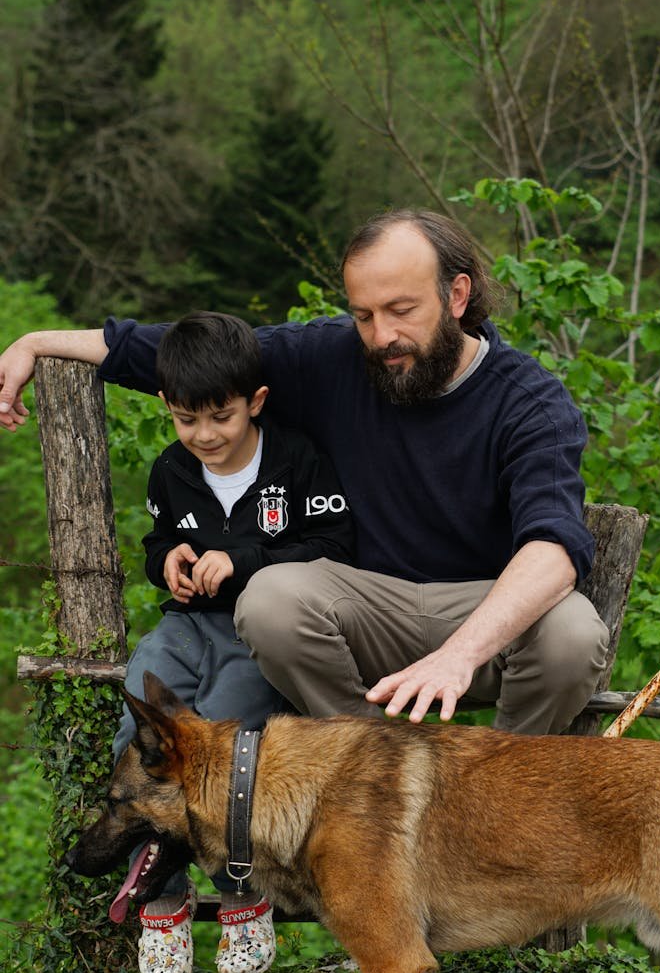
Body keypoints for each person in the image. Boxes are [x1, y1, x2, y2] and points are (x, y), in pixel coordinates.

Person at [0, 208, 608, 738]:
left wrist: (458, 655)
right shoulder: (332, 357)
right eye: (363, 315)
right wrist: (36, 342)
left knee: (573, 635)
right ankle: (375, 766)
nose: (382, 336)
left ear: (457, 296)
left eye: (401, 310)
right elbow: (191, 357)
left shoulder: (530, 402)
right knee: (270, 599)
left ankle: (497, 787)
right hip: (358, 613)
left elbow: (553, 548)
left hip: (482, 617)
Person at [103, 310, 354, 973]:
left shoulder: (296, 460)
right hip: (187, 627)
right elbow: (157, 543)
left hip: (258, 633)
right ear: (167, 406)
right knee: (136, 731)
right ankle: (164, 893)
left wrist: (242, 560)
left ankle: (242, 888)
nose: (206, 434)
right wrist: (167, 563)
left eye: (222, 416)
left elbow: (334, 547)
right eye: (187, 419)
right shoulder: (170, 470)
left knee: (225, 740)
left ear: (255, 402)